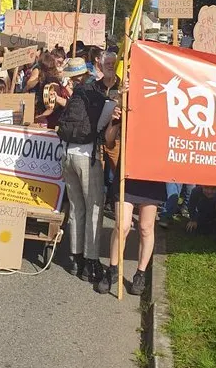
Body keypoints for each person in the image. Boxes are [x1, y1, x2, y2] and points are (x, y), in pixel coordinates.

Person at [97, 104, 166, 297]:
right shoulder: (128, 104)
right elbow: (109, 140)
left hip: (153, 173)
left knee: (145, 227)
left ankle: (140, 273)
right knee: (122, 225)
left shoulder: (163, 108)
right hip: (127, 172)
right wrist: (116, 119)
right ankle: (112, 270)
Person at [56, 58, 112, 282]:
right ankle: (91, 261)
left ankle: (75, 260)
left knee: (76, 208)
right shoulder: (96, 95)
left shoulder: (74, 96)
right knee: (94, 209)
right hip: (87, 156)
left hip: (67, 155)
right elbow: (103, 125)